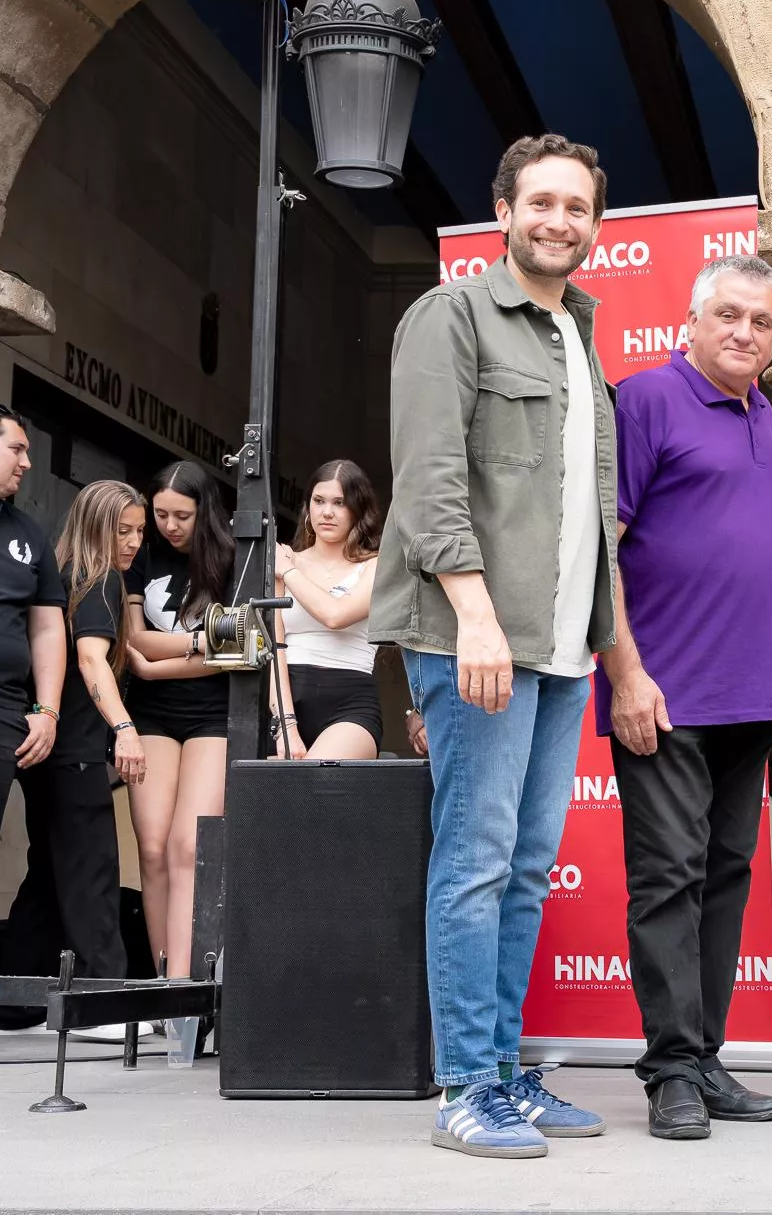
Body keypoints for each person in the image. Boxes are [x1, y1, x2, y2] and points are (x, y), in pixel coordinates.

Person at [373, 134, 621, 1159]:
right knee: (474, 861)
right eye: (543, 203)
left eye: (577, 208)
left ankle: (508, 1069)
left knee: (524, 866)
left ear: (594, 226)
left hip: (561, 649)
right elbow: (429, 477)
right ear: (504, 209)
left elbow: (587, 511)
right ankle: (465, 1084)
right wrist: (473, 612)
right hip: (476, 635)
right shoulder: (453, 314)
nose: (560, 220)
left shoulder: (580, 335)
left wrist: (604, 643)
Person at [596, 254, 772, 1140]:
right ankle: (671, 1068)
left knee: (725, 877)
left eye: (760, 322)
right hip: (666, 690)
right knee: (669, 878)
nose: (744, 334)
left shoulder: (765, 413)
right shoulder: (645, 401)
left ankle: (705, 1058)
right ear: (691, 320)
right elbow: (604, 547)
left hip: (751, 693)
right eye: (727, 315)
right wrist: (627, 674)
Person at [1, 481, 149, 1043]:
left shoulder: (54, 577)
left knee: (49, 876)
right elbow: (92, 658)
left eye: (139, 530)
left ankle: (8, 1002)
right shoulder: (100, 579)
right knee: (91, 874)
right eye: (123, 529)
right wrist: (125, 728)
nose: (133, 542)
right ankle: (102, 1001)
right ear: (96, 527)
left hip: (43, 750)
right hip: (75, 751)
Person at [123, 460, 232, 982]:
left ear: (203, 511)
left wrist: (157, 662)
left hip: (213, 714)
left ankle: (189, 986)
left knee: (190, 844)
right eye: (161, 513)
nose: (169, 525)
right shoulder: (142, 559)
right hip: (152, 718)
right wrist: (198, 644)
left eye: (181, 515)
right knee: (151, 847)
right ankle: (164, 983)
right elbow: (134, 640)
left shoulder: (234, 561)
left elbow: (233, 653)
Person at [0, 403, 64, 1053]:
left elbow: (46, 627)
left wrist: (46, 707)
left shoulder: (28, 536)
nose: (26, 462)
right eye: (16, 449)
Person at [270, 460, 382, 759]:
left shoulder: (375, 565)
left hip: (350, 702)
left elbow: (336, 616)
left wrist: (289, 573)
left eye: (339, 503)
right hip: (286, 700)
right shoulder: (286, 558)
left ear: (358, 510)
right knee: (272, 801)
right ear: (308, 507)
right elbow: (274, 647)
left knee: (314, 791)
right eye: (318, 501)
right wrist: (285, 724)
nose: (327, 512)